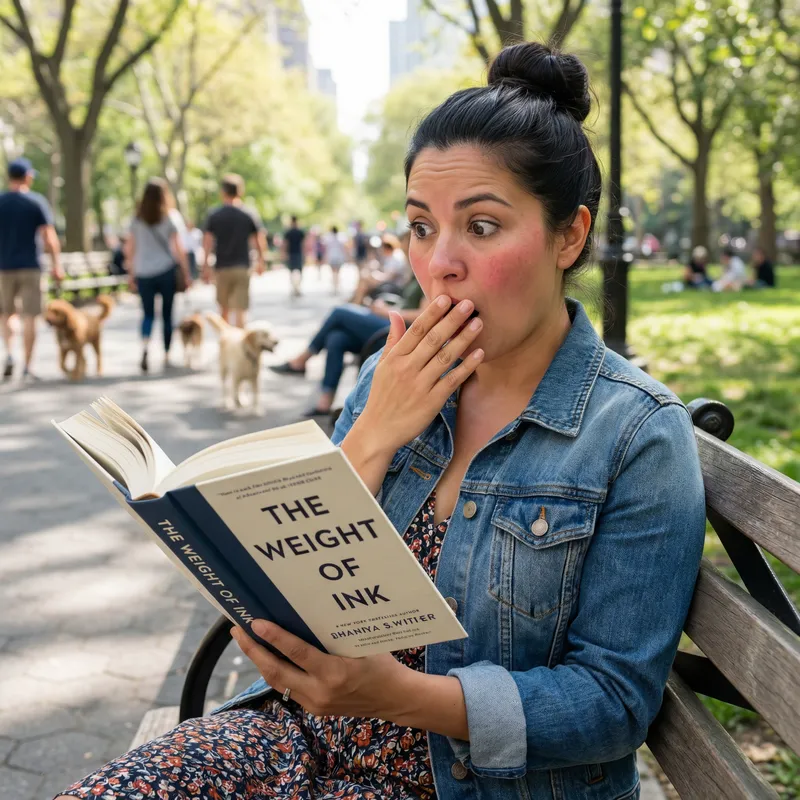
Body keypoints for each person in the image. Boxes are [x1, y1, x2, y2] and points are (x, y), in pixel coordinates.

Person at [55, 41, 707, 800]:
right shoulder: (387, 378)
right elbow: (292, 576)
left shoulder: (634, 435)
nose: (438, 264)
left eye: (483, 227)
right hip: (301, 735)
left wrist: (391, 697)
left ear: (570, 235)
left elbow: (614, 703)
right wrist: (372, 435)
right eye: (421, 226)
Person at [270, 278, 427, 415]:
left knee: (340, 312)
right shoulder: (412, 268)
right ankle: (325, 401)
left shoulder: (429, 272)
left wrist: (387, 311)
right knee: (336, 338)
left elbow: (423, 315)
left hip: (400, 330)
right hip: (388, 320)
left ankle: (301, 360)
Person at [0, 157, 63, 380]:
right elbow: (50, 238)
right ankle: (27, 366)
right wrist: (57, 266)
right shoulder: (36, 202)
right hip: (31, 267)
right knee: (30, 316)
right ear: (27, 177)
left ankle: (9, 354)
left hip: (4, 267)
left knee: (7, 314)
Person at [125, 178, 191, 372]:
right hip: (166, 270)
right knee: (167, 314)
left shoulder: (137, 218)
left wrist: (131, 273)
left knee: (147, 314)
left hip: (143, 272)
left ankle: (145, 346)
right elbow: (179, 248)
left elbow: (130, 248)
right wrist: (186, 273)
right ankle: (167, 353)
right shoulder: (171, 216)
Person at [202, 174, 266, 328]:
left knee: (224, 309)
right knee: (240, 310)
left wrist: (205, 266)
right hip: (242, 267)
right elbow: (259, 240)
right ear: (240, 191)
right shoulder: (248, 213)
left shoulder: (215, 215)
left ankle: (226, 345)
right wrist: (261, 261)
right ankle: (240, 346)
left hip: (222, 267)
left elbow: (207, 243)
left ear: (223, 192)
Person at [350, 233, 410, 305]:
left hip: (392, 286)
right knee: (364, 279)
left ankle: (356, 302)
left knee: (365, 279)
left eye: (383, 246)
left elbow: (389, 276)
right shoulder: (390, 257)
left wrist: (373, 276)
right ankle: (356, 301)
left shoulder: (396, 258)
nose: (381, 249)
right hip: (388, 283)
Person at [283, 215, 306, 297]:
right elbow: (303, 244)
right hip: (298, 253)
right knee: (299, 272)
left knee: (292, 272)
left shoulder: (289, 232)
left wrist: (284, 253)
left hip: (292, 254)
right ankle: (297, 288)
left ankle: (294, 288)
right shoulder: (300, 232)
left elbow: (285, 244)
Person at [323, 225, 347, 295]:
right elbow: (344, 248)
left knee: (333, 273)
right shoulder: (341, 238)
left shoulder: (328, 238)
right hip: (339, 257)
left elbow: (326, 248)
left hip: (332, 257)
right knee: (338, 273)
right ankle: (336, 286)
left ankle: (334, 287)